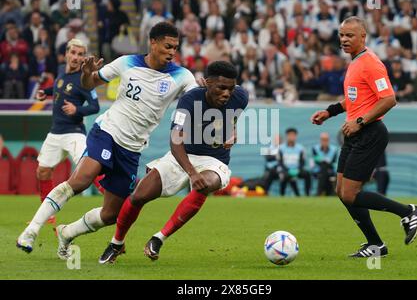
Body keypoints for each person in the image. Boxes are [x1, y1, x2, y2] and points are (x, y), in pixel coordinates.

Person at [16, 22, 198, 256]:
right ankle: (31, 231)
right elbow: (90, 83)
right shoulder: (126, 63)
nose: (172, 52)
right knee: (81, 180)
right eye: (168, 46)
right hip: (107, 132)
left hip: (132, 149)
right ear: (153, 43)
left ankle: (67, 232)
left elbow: (196, 102)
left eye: (175, 47)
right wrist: (86, 74)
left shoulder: (182, 76)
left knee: (111, 214)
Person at [96, 61, 248, 263]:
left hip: (213, 159)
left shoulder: (241, 96)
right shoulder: (189, 100)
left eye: (230, 88)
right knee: (139, 196)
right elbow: (176, 143)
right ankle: (116, 243)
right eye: (221, 88)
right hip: (181, 155)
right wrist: (192, 172)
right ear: (206, 83)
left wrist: (231, 130)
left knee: (206, 183)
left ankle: (159, 238)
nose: (227, 93)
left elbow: (232, 116)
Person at [310, 16, 417, 258]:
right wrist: (329, 112)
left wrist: (360, 122)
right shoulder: (355, 62)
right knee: (342, 191)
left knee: (351, 193)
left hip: (370, 132)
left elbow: (389, 99)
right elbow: (353, 99)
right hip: (356, 133)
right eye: (341, 35)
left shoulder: (371, 63)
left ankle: (408, 211)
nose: (344, 39)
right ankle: (376, 245)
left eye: (349, 35)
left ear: (363, 37)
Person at [32, 39, 100, 223]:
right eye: (73, 53)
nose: (76, 57)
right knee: (43, 171)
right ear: (67, 54)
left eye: (80, 54)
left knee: (91, 168)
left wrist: (77, 110)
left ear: (84, 58)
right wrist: (45, 93)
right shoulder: (62, 72)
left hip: (74, 133)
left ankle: (115, 202)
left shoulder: (84, 79)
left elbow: (95, 106)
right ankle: (48, 216)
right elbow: (58, 86)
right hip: (55, 133)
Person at [278, 128, 311, 197]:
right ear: (287, 136)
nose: (291, 137)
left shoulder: (300, 148)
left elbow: (302, 162)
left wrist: (298, 170)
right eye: (290, 135)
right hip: (286, 170)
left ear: (296, 136)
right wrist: (287, 170)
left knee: (307, 174)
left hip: (297, 170)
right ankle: (282, 195)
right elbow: (280, 162)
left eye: (293, 135)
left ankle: (307, 194)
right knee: (284, 176)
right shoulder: (281, 148)